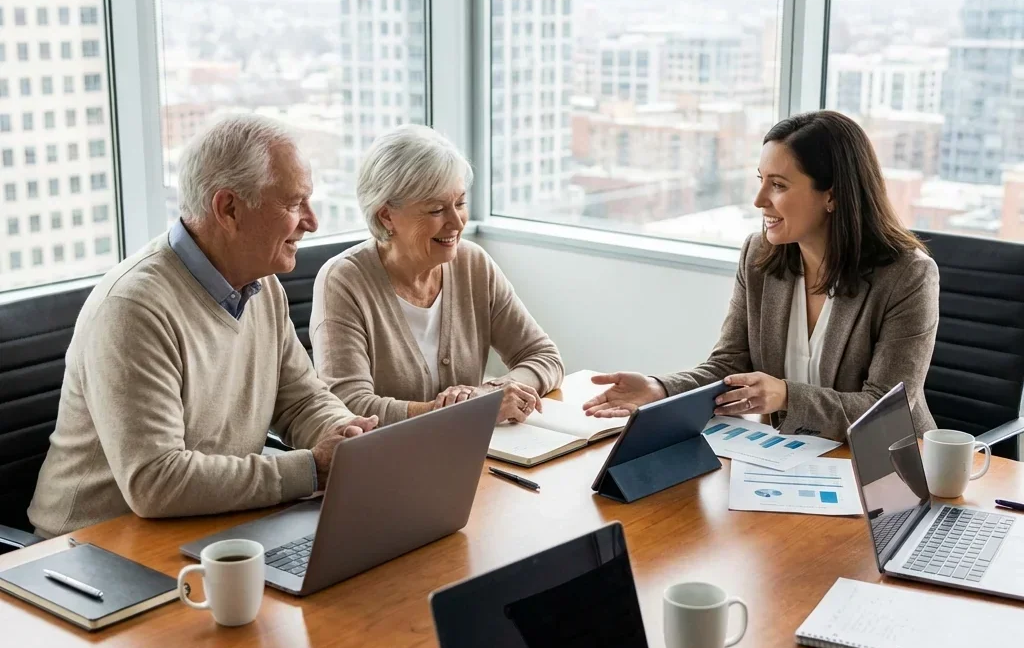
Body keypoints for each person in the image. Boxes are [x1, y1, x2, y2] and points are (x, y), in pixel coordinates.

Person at [28, 115, 377, 538]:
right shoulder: (134, 308)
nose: (311, 221)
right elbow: (156, 481)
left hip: (209, 525)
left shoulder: (261, 284)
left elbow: (300, 401)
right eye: (293, 203)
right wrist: (311, 469)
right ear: (228, 208)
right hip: (91, 551)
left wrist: (346, 437)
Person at [583, 110, 939, 441]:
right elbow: (729, 365)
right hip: (788, 459)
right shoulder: (759, 255)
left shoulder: (907, 276)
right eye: (761, 180)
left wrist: (785, 395)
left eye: (779, 185)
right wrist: (659, 389)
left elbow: (887, 410)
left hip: (885, 466)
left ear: (831, 195)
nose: (759, 200)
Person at [311, 124, 564, 426]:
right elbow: (348, 406)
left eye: (459, 203)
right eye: (436, 210)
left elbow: (543, 355)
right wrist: (460, 412)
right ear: (386, 215)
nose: (456, 222)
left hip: (471, 455)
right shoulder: (343, 281)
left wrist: (492, 392)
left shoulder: (473, 264)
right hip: (388, 464)